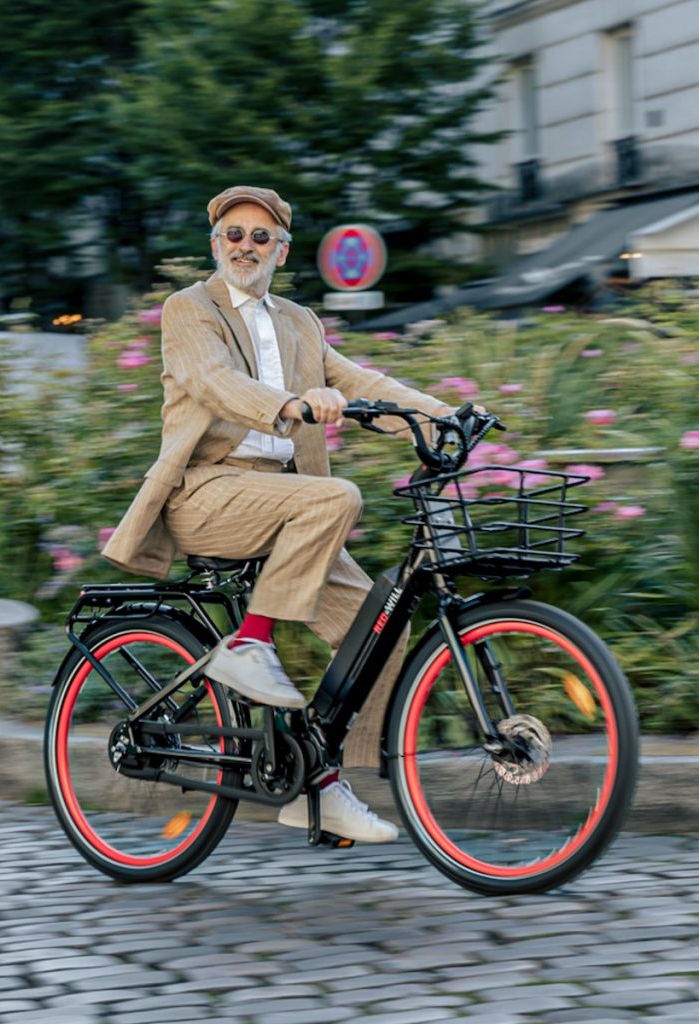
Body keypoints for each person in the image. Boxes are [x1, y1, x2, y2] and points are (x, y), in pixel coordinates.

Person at [102, 185, 456, 843]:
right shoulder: (190, 309)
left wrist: (445, 416)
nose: (245, 246)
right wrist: (292, 404)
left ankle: (319, 783)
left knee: (380, 623)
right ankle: (250, 642)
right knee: (337, 495)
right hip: (207, 494)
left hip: (284, 505)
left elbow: (362, 382)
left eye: (260, 237)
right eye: (233, 234)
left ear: (281, 252)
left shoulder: (299, 321)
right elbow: (214, 381)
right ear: (215, 245)